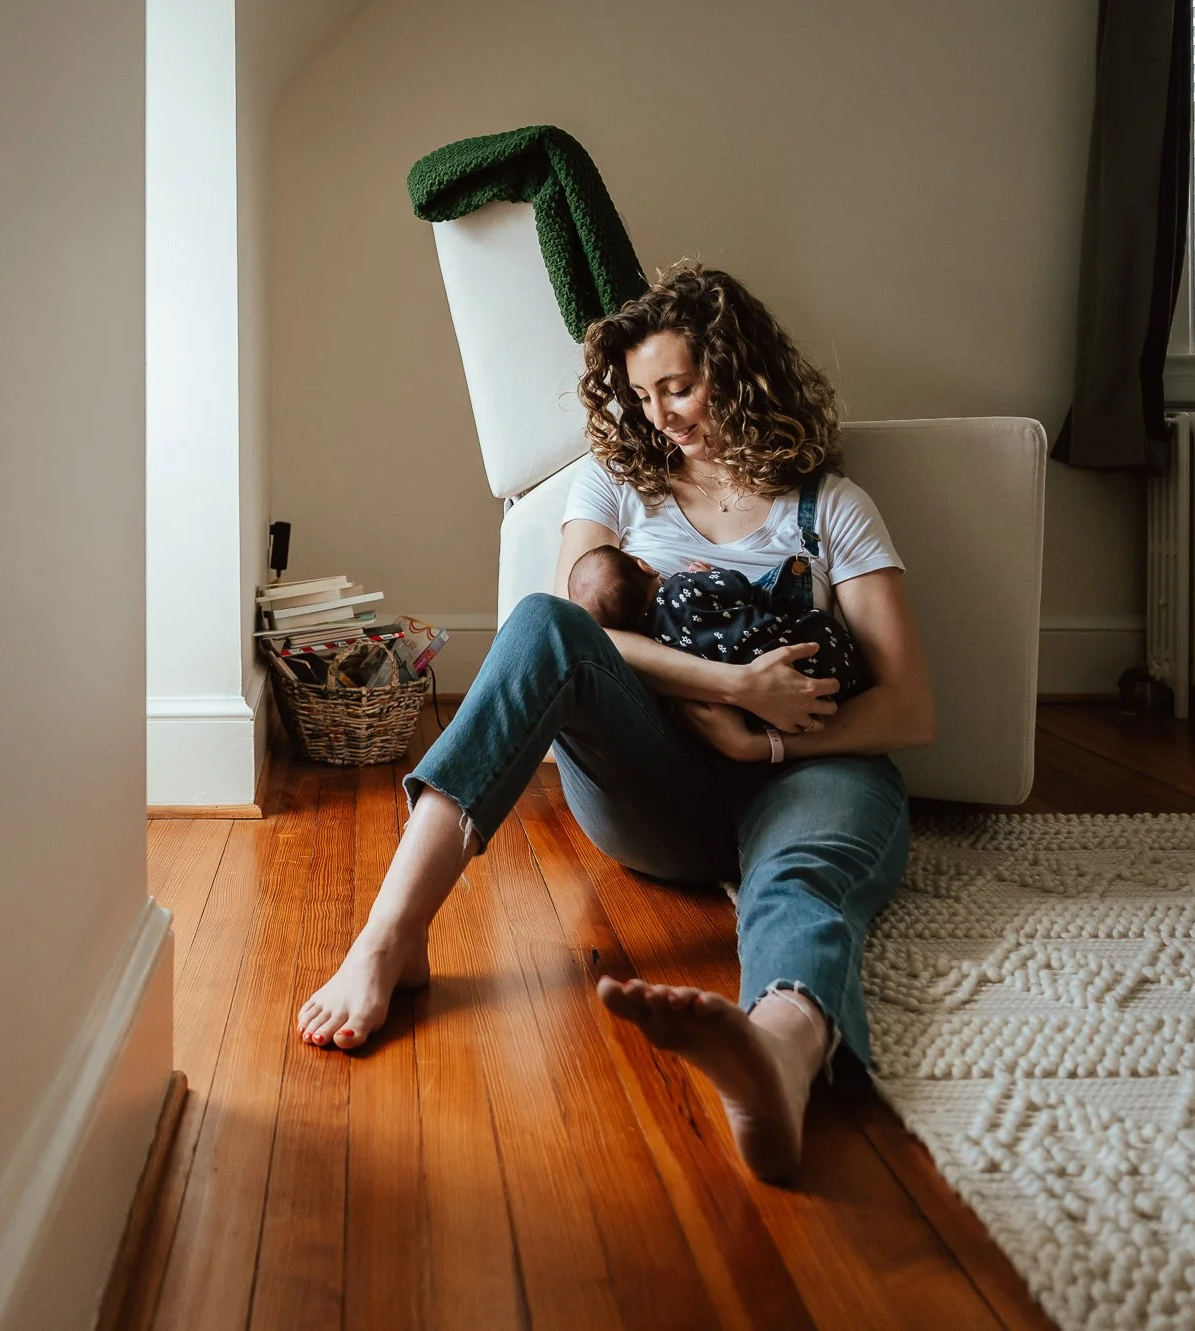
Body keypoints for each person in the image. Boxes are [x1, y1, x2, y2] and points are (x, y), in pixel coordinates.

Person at [295, 262, 935, 1180]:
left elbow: (910, 705)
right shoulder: (617, 487)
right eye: (643, 395)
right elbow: (568, 634)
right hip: (660, 789)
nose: (661, 414)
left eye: (679, 386)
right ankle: (391, 937)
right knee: (539, 622)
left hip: (810, 768)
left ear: (741, 371)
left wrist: (772, 735)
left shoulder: (830, 506)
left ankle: (780, 1055)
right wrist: (732, 684)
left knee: (799, 881)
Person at [565, 545, 872, 711]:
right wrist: (710, 574)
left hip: (765, 702)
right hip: (806, 647)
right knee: (811, 623)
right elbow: (737, 587)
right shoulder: (682, 586)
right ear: (645, 566)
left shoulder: (657, 643)